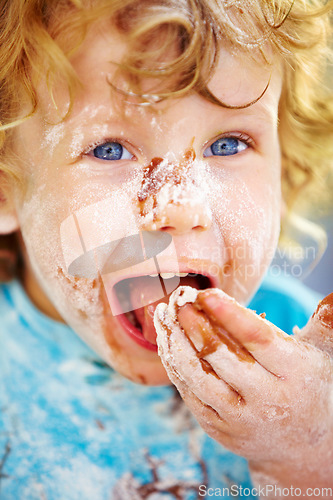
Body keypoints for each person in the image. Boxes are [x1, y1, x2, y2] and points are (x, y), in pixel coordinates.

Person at [0, 0, 332, 498]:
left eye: (228, 144)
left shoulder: (302, 359)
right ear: (5, 188)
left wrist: (303, 457)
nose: (180, 206)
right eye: (109, 150)